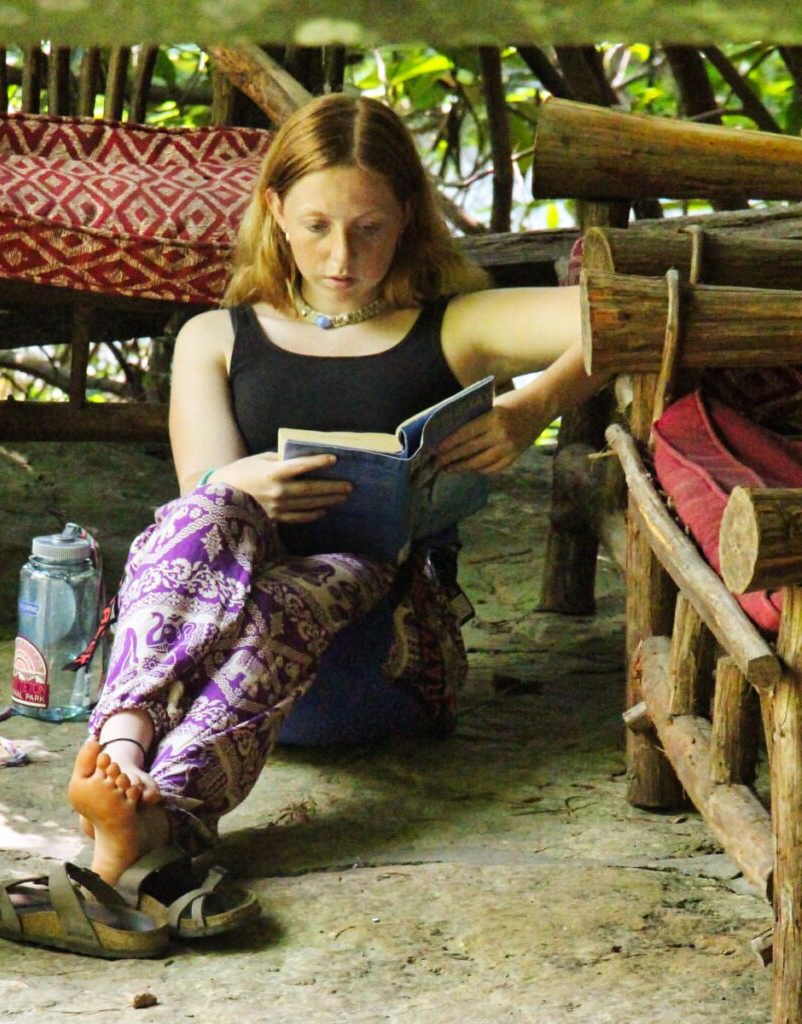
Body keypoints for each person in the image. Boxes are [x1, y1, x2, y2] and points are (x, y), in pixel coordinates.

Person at [67, 92, 602, 896]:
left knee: (307, 584)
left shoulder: (455, 327)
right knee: (210, 510)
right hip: (222, 671)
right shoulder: (215, 337)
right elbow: (195, 512)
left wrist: (533, 407)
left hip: (381, 659)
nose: (341, 256)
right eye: (317, 225)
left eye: (369, 227)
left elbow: (632, 314)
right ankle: (134, 774)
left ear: (409, 214)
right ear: (275, 210)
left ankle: (130, 782)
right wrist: (238, 483)